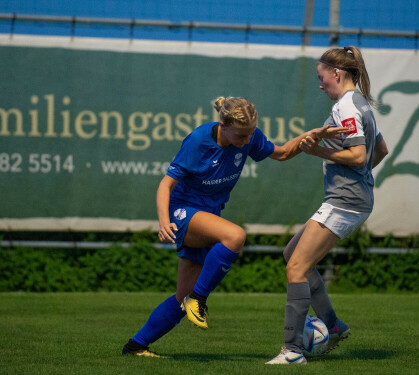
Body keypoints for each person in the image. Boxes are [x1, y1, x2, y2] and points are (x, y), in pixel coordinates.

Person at [122, 96, 348, 357]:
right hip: (183, 211)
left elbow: (284, 152)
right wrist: (164, 222)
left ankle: (136, 346)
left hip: (209, 215)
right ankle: (200, 299)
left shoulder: (248, 136)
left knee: (180, 299)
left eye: (250, 134)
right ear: (223, 125)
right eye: (241, 136)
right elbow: (166, 184)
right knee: (235, 236)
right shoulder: (199, 141)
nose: (245, 141)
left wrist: (310, 136)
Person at [266, 46, 389, 365]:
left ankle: (292, 352)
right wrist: (360, 178)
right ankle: (333, 326)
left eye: (322, 78)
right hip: (352, 199)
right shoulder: (360, 103)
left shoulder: (347, 106)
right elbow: (381, 150)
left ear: (338, 72)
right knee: (292, 255)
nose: (320, 85)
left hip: (345, 202)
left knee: (296, 267)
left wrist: (317, 151)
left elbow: (360, 156)